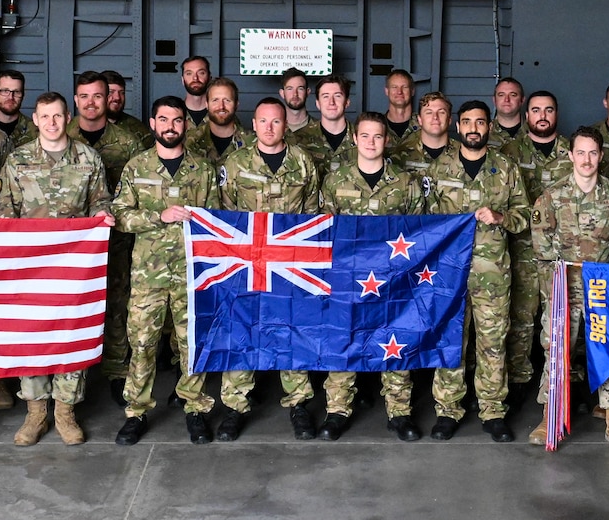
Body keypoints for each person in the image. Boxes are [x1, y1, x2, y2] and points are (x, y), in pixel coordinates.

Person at [0, 90, 109, 447]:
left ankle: (65, 410)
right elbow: (5, 211)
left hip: (75, 266)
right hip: (30, 267)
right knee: (32, 337)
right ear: (35, 119)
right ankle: (36, 412)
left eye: (58, 116)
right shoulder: (18, 160)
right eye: (45, 117)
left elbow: (100, 201)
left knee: (68, 335)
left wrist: (102, 217)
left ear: (68, 116)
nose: (52, 123)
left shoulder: (88, 158)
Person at [112, 96, 223, 443]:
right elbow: (119, 215)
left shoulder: (202, 169)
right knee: (142, 344)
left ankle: (195, 408)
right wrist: (157, 216)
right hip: (149, 276)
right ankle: (137, 411)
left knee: (192, 344)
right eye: (164, 120)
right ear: (152, 123)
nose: (170, 126)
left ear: (185, 125)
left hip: (192, 274)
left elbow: (217, 220)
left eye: (177, 120)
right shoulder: (137, 166)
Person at [217, 97, 326, 438]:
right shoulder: (235, 163)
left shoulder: (302, 162)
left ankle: (298, 402)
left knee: (291, 330)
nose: (269, 127)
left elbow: (312, 215)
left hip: (289, 263)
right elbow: (223, 214)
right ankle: (235, 405)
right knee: (242, 330)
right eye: (263, 121)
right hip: (245, 264)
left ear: (285, 125)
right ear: (253, 124)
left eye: (276, 122)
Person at [318, 112, 428, 440]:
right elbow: (324, 230)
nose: (371, 143)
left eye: (377, 137)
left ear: (387, 140)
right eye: (364, 136)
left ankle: (400, 412)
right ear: (354, 138)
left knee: (395, 342)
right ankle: (338, 409)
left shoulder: (405, 182)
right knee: (343, 339)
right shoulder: (335, 181)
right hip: (347, 279)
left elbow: (419, 231)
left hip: (392, 280)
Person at [425, 101, 530, 440]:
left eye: (480, 122)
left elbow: (525, 216)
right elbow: (422, 222)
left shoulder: (506, 167)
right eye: (467, 122)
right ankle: (448, 410)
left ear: (489, 127)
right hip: (448, 274)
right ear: (457, 126)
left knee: (493, 343)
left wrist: (501, 218)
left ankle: (493, 410)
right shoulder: (438, 169)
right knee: (451, 339)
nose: (473, 128)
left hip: (492, 274)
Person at [531, 128, 609, 448]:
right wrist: (555, 290)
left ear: (601, 156)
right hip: (564, 292)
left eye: (593, 153)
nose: (587, 159)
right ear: (570, 155)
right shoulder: (552, 196)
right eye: (581, 152)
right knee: (556, 354)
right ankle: (549, 416)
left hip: (603, 291)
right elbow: (542, 247)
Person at [73, 70, 148, 379]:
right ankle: (75, 372)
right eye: (85, 96)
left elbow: (142, 192)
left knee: (118, 302)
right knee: (75, 306)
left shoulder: (129, 143)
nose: (92, 103)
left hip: (117, 239)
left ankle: (117, 372)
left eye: (98, 96)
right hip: (74, 245)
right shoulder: (62, 139)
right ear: (76, 100)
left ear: (109, 99)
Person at [503, 90, 571, 394]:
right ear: (526, 115)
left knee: (562, 318)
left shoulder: (573, 152)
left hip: (563, 252)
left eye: (548, 109)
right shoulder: (509, 152)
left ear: (556, 114)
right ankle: (518, 380)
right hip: (523, 249)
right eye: (536, 110)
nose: (542, 115)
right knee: (521, 316)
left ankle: (563, 383)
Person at [188, 76, 248, 174]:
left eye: (227, 100)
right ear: (206, 104)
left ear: (236, 104)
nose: (221, 106)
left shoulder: (252, 141)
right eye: (215, 100)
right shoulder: (190, 141)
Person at [296, 75, 355, 169]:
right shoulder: (298, 140)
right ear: (317, 104)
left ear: (347, 102)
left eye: (337, 96)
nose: (331, 102)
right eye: (325, 96)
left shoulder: (363, 138)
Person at [0, 69, 35, 147]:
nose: (10, 97)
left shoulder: (35, 130)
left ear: (23, 95)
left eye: (16, 92)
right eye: (5, 91)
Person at [382, 69, 418, 144]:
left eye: (404, 87)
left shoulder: (424, 125)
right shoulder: (378, 125)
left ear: (412, 91)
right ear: (386, 91)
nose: (399, 92)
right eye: (394, 87)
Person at [278, 67, 314, 134]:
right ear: (282, 93)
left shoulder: (321, 129)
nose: (295, 94)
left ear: (307, 92)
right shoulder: (273, 130)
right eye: (290, 89)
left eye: (300, 89)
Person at [492, 77, 527, 146]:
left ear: (522, 100)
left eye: (513, 95)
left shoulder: (535, 132)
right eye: (501, 95)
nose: (507, 99)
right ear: (494, 100)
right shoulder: (483, 132)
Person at [179, 54, 213, 126]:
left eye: (201, 73)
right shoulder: (174, 112)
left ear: (209, 78)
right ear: (182, 80)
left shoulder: (219, 112)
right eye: (189, 73)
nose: (195, 78)